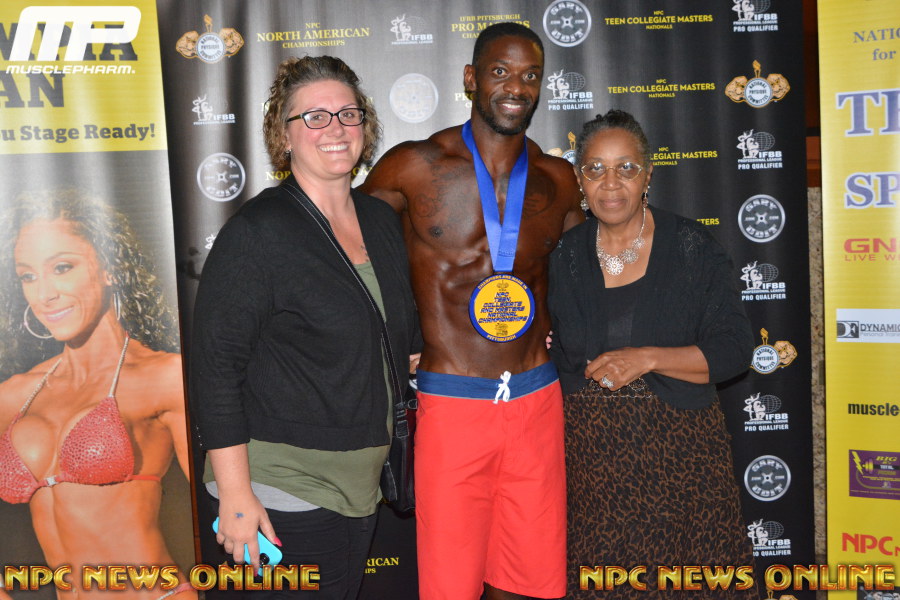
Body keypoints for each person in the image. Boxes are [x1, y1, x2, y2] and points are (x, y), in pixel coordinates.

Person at [361, 22, 583, 600]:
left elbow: (585, 275)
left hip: (536, 397)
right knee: (451, 582)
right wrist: (395, 338)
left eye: (530, 75)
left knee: (531, 581)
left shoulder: (559, 180)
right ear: (471, 78)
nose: (516, 87)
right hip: (453, 400)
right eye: (500, 71)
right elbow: (347, 251)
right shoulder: (412, 166)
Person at [189, 55, 419, 599]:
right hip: (280, 492)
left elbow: (392, 340)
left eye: (348, 114)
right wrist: (236, 496)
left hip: (360, 489)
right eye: (314, 117)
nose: (335, 128)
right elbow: (215, 371)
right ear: (284, 135)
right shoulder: (259, 232)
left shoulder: (381, 222)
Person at [548, 109, 756, 598]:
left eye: (626, 167)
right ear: (579, 178)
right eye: (596, 168)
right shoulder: (563, 255)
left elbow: (733, 350)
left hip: (684, 467)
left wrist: (648, 358)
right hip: (593, 473)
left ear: (648, 175)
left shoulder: (692, 247)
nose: (611, 183)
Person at [0, 189, 194, 599]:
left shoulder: (163, 377)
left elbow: (226, 506)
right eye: (28, 276)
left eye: (62, 268)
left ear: (109, 268)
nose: (44, 294)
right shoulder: (14, 396)